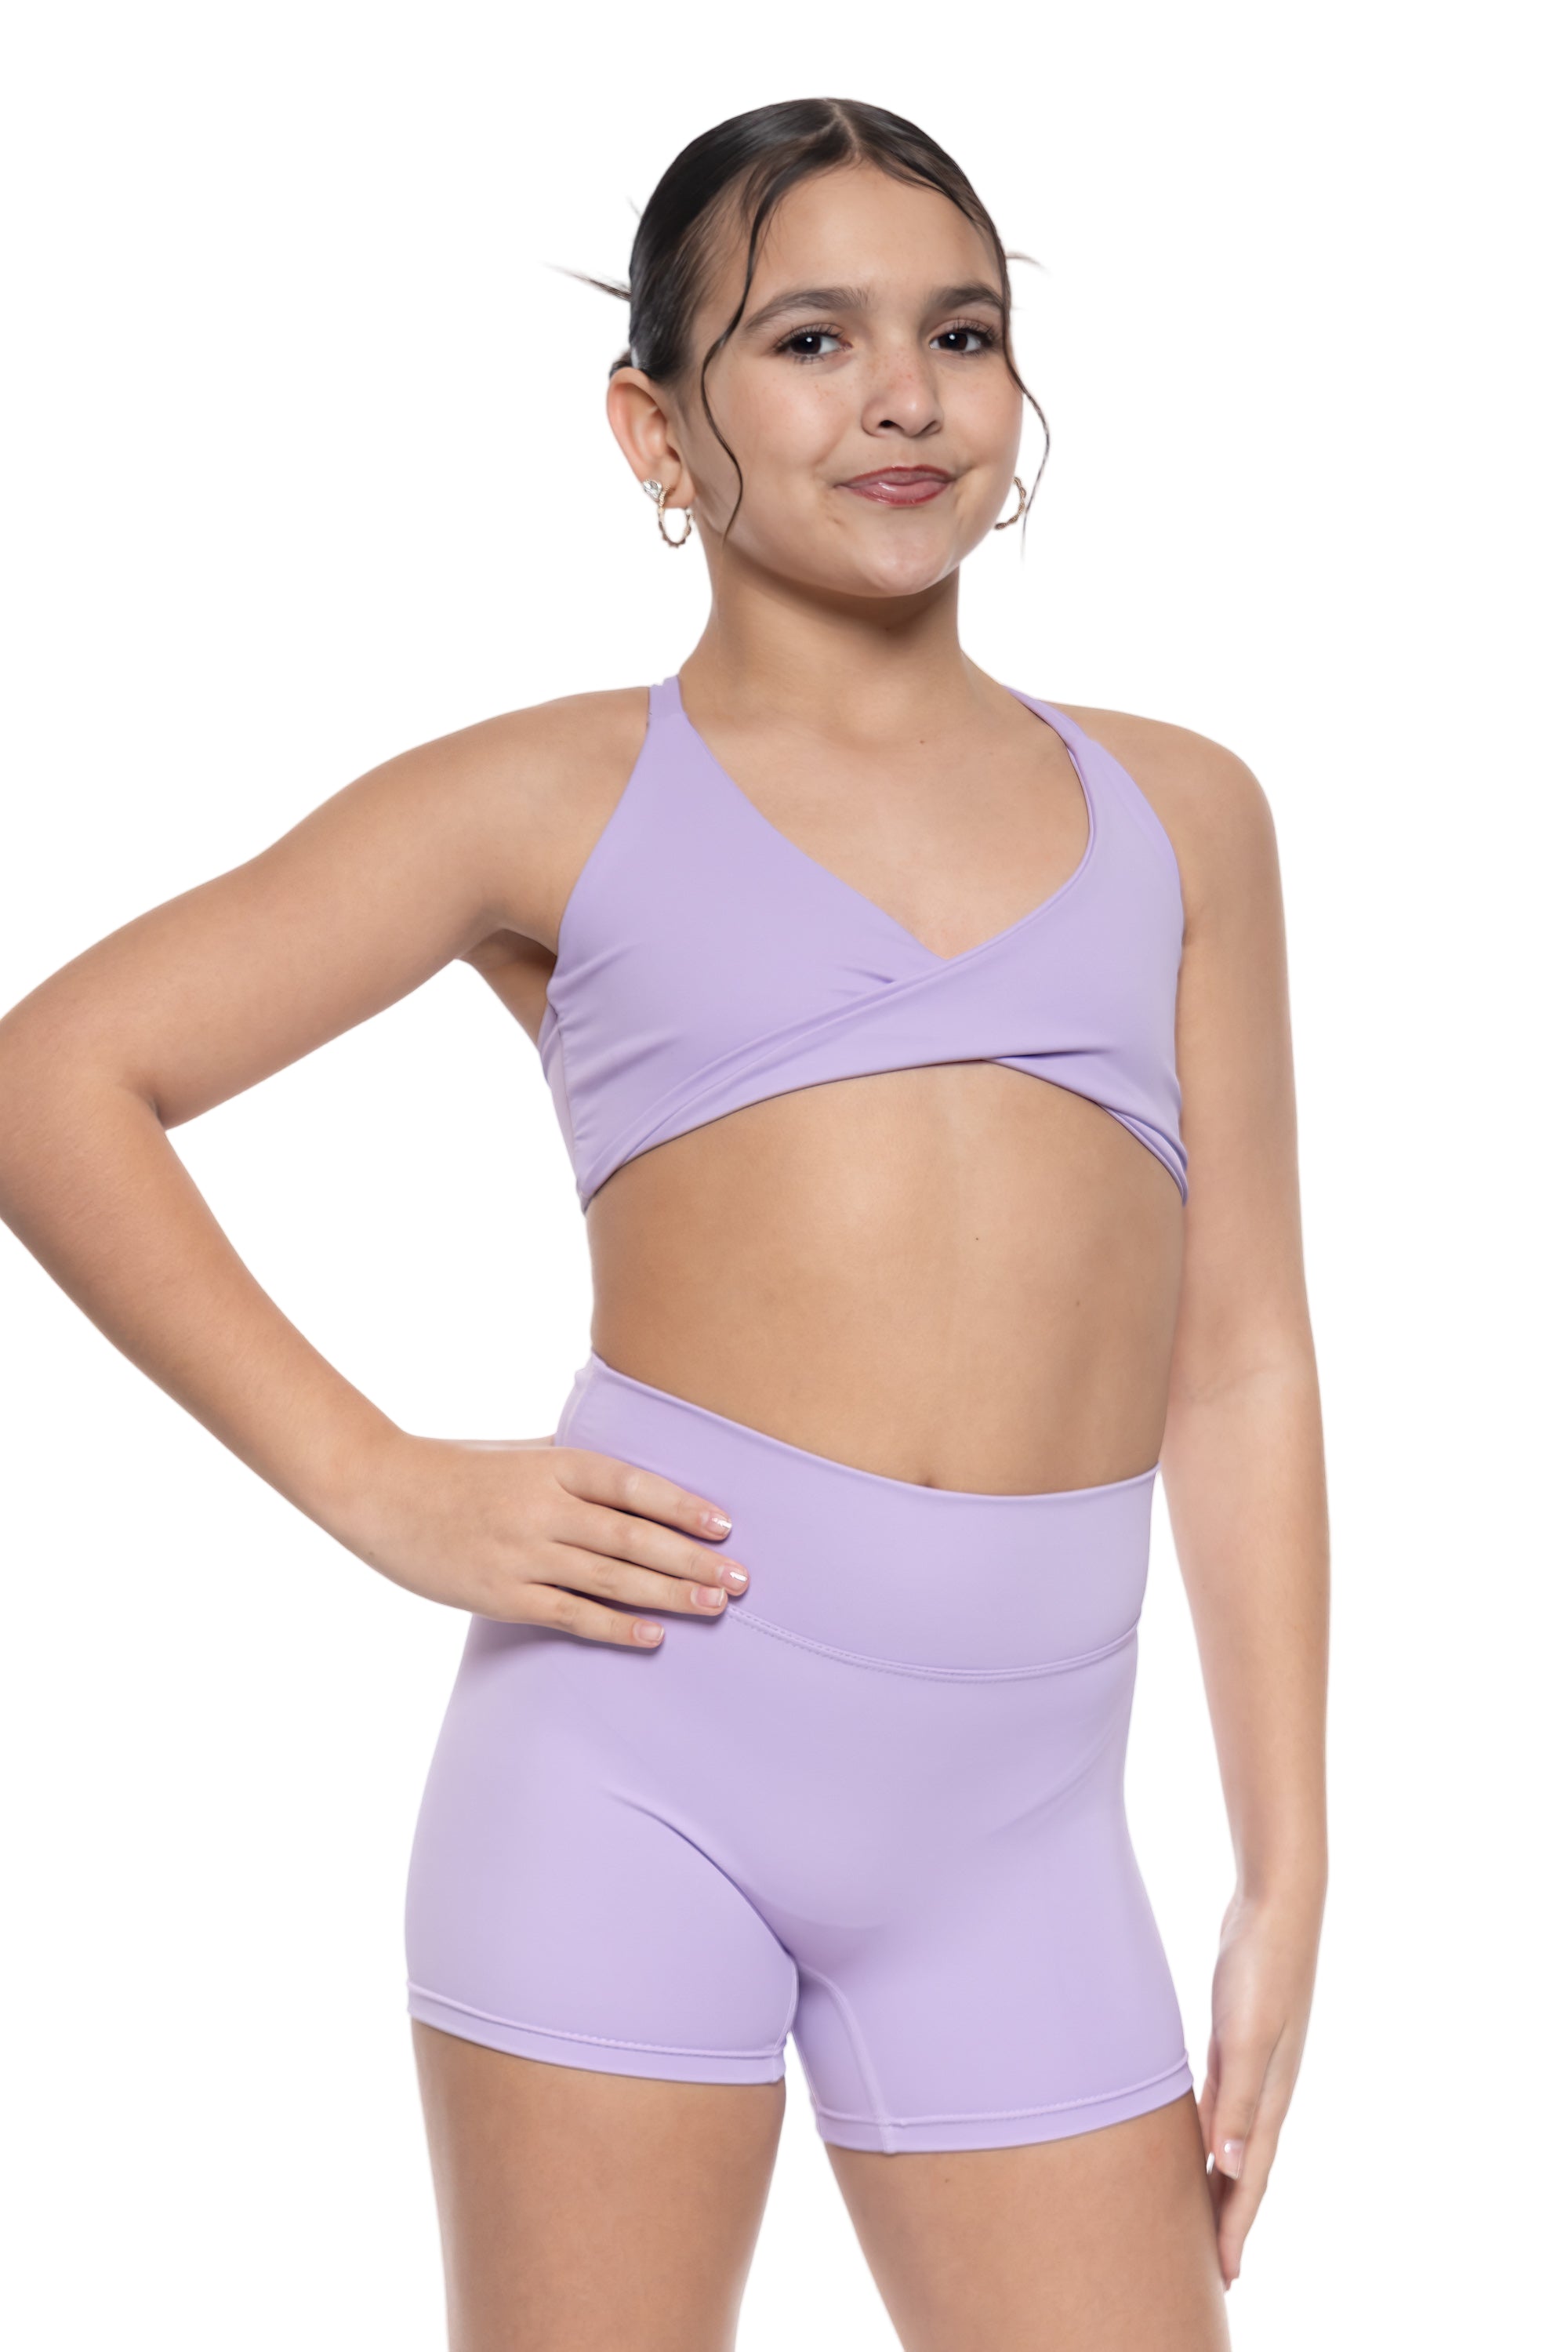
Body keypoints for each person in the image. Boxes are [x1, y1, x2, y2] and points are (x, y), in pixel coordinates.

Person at [0, 96, 1328, 2352]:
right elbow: (59, 1078)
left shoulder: (1182, 813)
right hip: (633, 1768)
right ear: (654, 429)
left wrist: (1285, 1859)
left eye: (962, 333)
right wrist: (378, 1483)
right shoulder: (547, 797)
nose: (904, 395)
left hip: (1024, 1828)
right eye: (810, 338)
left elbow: (1242, 1356)